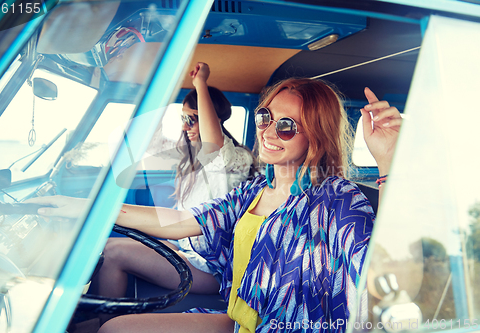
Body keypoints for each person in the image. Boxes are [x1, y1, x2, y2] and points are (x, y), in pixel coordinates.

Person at [34, 78, 401, 333]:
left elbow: (377, 263)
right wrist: (88, 210)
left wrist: (388, 162)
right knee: (114, 327)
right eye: (265, 117)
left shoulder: (335, 197)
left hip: (278, 324)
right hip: (237, 316)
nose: (269, 132)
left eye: (287, 126)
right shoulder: (256, 188)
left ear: (316, 133)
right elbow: (184, 221)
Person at [92, 62, 256, 300]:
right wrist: (158, 91)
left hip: (211, 268)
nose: (185, 126)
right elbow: (150, 141)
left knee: (113, 253)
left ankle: (99, 325)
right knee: (107, 245)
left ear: (214, 118)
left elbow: (214, 145)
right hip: (184, 250)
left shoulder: (235, 159)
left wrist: (200, 84)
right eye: (183, 118)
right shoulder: (189, 155)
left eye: (193, 119)